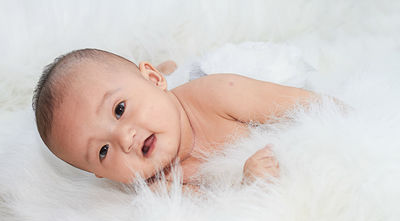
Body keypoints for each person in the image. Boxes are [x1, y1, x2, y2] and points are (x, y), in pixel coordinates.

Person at [32, 48, 319, 187]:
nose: (124, 138)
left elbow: (309, 106)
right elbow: (212, 219)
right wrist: (249, 186)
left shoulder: (220, 94)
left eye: (119, 109)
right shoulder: (161, 187)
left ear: (154, 79)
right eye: (103, 151)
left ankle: (169, 69)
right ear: (101, 174)